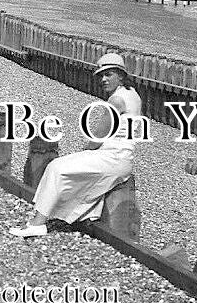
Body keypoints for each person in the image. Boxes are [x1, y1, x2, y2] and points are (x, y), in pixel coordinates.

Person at [9, 53, 143, 237]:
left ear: (121, 75)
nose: (103, 79)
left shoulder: (116, 100)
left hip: (112, 157)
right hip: (124, 159)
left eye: (109, 74)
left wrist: (84, 152)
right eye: (101, 75)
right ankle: (78, 216)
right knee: (69, 168)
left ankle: (38, 223)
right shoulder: (133, 95)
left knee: (56, 167)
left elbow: (97, 138)